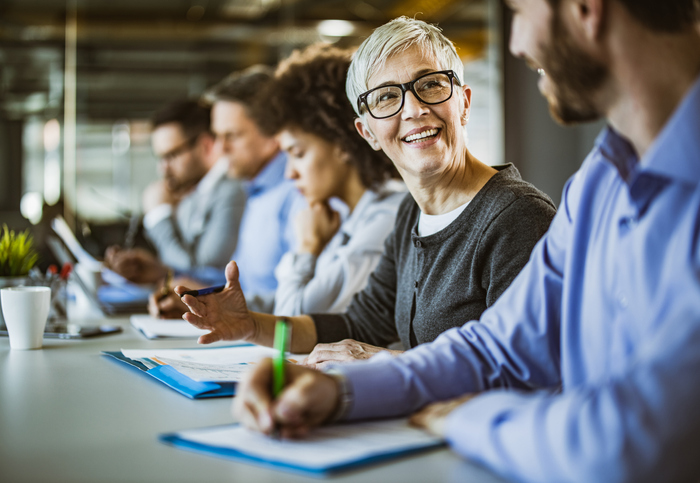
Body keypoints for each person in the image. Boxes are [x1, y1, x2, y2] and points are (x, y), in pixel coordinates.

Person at [234, 2, 700, 482]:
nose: (516, 43)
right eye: (388, 98)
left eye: (519, 10)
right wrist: (342, 393)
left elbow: (623, 446)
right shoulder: (600, 180)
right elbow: (498, 344)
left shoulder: (523, 211)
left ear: (586, 8)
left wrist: (458, 418)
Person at [178, 18, 555, 366]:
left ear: (464, 103)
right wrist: (250, 326)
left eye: (430, 84)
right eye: (387, 97)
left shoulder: (517, 217)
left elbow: (525, 368)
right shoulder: (412, 213)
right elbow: (360, 325)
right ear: (368, 133)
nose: (414, 109)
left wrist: (388, 363)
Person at [262, 44, 405, 316]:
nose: (289, 173)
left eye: (298, 153)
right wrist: (224, 308)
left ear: (341, 143)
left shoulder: (387, 218)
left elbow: (293, 318)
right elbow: (292, 297)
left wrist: (307, 248)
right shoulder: (348, 216)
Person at [152, 66, 303, 316]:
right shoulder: (253, 190)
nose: (220, 149)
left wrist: (214, 301)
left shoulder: (297, 192)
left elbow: (305, 304)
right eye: (218, 136)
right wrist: (201, 295)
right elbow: (251, 288)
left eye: (231, 136)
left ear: (272, 134)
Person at [104, 99, 245, 285]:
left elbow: (199, 273)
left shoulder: (232, 191)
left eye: (171, 156)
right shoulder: (195, 194)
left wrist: (158, 215)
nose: (163, 170)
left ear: (206, 146)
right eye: (161, 158)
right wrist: (157, 270)